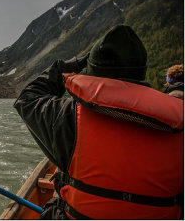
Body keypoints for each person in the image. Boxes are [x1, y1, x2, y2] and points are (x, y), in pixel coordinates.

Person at [14, 25, 184, 219]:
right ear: (142, 72)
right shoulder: (180, 125)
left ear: (92, 70)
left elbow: (27, 98)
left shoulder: (67, 116)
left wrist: (68, 66)